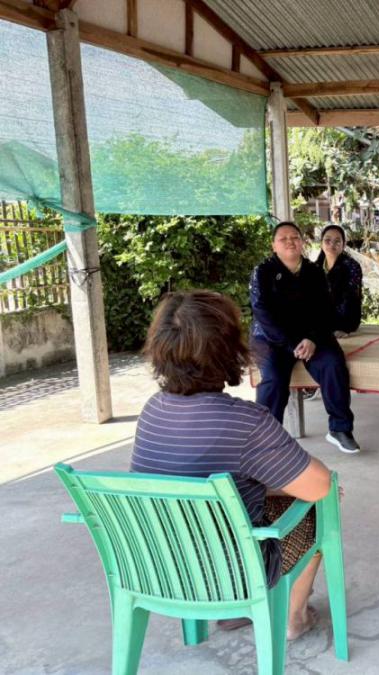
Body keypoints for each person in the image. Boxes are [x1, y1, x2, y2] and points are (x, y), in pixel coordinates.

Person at [131, 290, 333, 639]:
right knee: (316, 511)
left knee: (259, 497)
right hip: (236, 573)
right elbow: (320, 485)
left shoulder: (151, 411)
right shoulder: (246, 422)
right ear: (230, 349)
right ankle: (293, 618)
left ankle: (233, 611)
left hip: (161, 566)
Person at [250, 221, 360, 454]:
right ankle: (266, 440)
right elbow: (262, 312)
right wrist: (291, 344)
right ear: (273, 246)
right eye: (283, 238)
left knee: (333, 364)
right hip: (271, 338)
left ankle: (340, 429)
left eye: (294, 237)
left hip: (310, 336)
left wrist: (312, 339)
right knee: (273, 378)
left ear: (302, 242)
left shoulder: (314, 271)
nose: (290, 242)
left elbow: (325, 311)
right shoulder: (263, 271)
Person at [314, 224, 363, 338]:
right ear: (321, 243)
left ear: (344, 244)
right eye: (327, 240)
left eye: (337, 241)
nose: (332, 245)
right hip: (320, 323)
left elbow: (352, 299)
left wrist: (345, 328)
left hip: (343, 322)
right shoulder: (315, 267)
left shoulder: (352, 266)